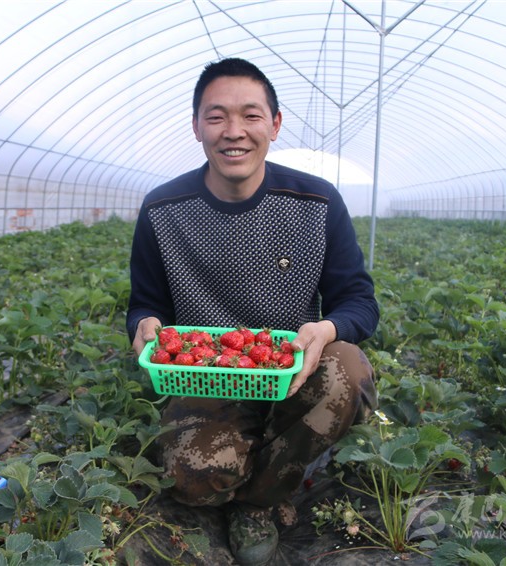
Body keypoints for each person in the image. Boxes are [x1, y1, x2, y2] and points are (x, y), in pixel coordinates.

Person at [126, 57, 379, 566]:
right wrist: (144, 325)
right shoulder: (162, 210)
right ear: (196, 126)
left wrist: (327, 328)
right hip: (205, 378)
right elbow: (146, 303)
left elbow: (359, 301)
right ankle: (258, 462)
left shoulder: (317, 202)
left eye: (251, 115)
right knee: (191, 478)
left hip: (292, 370)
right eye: (216, 116)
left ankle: (258, 502)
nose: (233, 131)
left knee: (348, 369)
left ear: (275, 124)